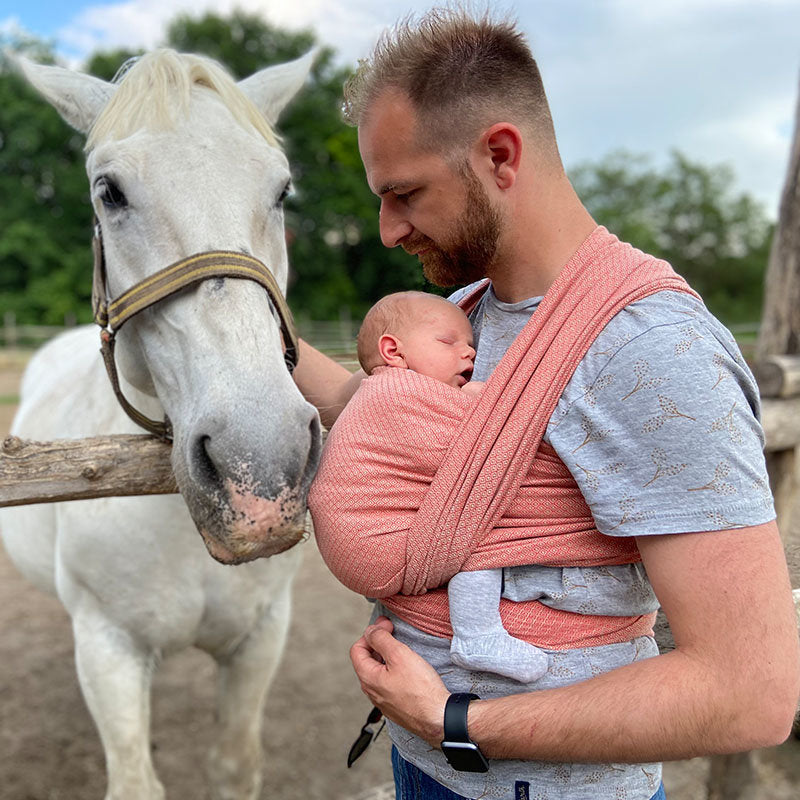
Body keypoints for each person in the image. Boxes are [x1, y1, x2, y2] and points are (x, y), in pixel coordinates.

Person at [293, 7, 800, 800]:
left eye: (405, 194)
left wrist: (455, 721)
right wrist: (257, 330)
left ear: (499, 155)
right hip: (421, 764)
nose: (387, 230)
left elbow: (751, 692)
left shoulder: (652, 350)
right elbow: (379, 412)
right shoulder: (463, 316)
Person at [318, 288, 557, 683]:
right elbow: (478, 443)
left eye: (470, 344)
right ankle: (477, 635)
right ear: (393, 352)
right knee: (482, 535)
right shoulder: (394, 394)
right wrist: (483, 400)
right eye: (448, 342)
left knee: (463, 513)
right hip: (373, 541)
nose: (469, 353)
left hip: (359, 542)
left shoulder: (383, 394)